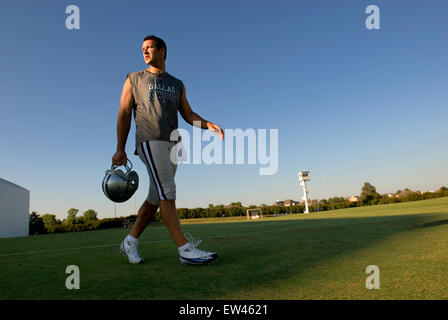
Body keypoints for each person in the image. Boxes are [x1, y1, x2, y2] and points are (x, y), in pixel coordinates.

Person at [112, 35, 224, 265]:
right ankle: (185, 250)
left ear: (162, 50)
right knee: (167, 192)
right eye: (142, 49)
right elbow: (124, 113)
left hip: (173, 144)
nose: (144, 52)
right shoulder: (134, 78)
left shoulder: (177, 83)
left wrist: (208, 124)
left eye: (149, 47)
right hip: (149, 140)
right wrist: (120, 148)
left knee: (155, 198)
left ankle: (130, 242)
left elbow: (188, 114)